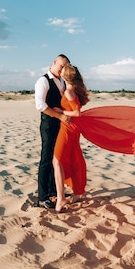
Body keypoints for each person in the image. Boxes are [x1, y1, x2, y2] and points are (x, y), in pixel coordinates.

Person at [34, 54, 71, 209]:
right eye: (61, 66)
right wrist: (60, 116)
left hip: (60, 125)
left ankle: (53, 190)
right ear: (54, 63)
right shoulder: (43, 80)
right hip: (49, 125)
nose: (63, 70)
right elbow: (40, 105)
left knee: (57, 158)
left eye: (65, 67)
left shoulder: (62, 81)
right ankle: (42, 197)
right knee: (46, 159)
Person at [52, 64, 90, 212]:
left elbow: (77, 113)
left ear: (65, 75)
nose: (59, 71)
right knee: (73, 158)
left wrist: (61, 111)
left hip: (69, 128)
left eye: (62, 70)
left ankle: (61, 199)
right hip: (70, 128)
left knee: (57, 160)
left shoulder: (69, 91)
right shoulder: (70, 90)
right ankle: (77, 192)